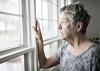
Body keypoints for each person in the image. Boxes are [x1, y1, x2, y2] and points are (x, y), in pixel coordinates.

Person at [33, 3, 100, 71]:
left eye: (63, 22)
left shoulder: (94, 53)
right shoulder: (64, 48)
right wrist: (40, 40)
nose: (59, 27)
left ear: (78, 26)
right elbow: (44, 64)